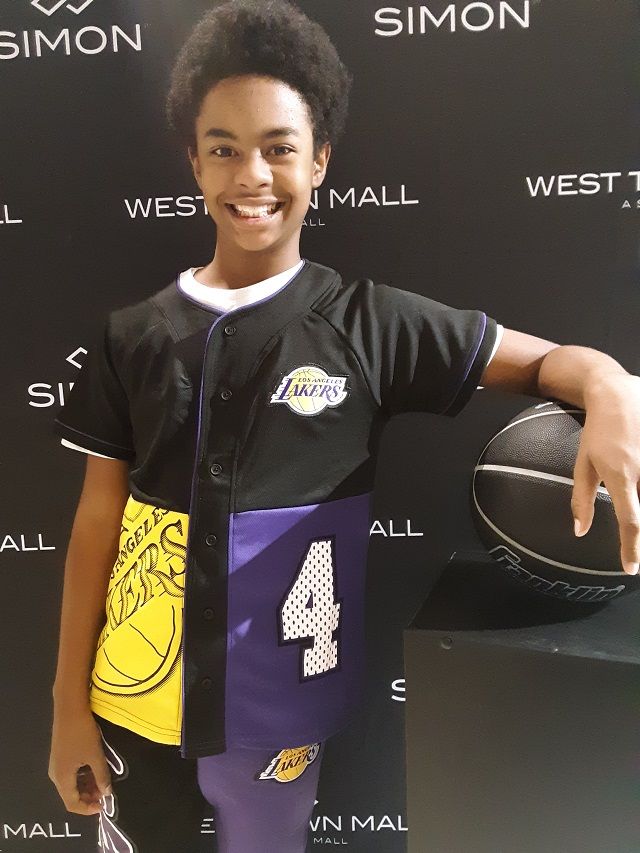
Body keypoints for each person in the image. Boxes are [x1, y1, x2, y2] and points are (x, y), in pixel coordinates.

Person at [48, 1, 581, 851]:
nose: (250, 173)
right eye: (223, 147)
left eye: (279, 147)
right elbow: (96, 523)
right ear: (192, 161)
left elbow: (554, 364)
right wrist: (67, 706)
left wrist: (614, 386)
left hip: (281, 706)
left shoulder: (369, 321)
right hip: (132, 699)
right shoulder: (131, 334)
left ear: (321, 159)